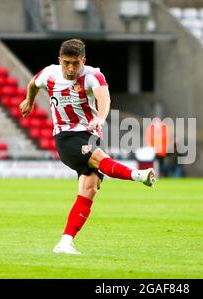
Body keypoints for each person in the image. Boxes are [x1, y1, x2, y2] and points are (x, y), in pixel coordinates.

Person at [18, 39, 156, 255]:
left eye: (75, 63)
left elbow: (104, 97)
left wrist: (101, 118)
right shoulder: (50, 74)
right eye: (66, 63)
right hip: (66, 136)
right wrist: (29, 101)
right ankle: (138, 175)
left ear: (84, 60)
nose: (71, 68)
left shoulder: (93, 76)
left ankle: (65, 242)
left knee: (89, 188)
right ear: (59, 60)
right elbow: (33, 84)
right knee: (96, 157)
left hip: (91, 133)